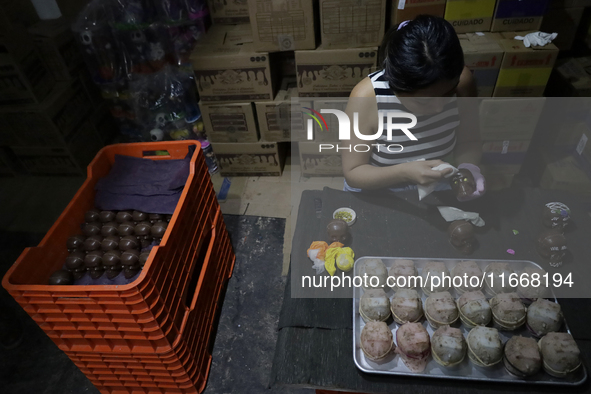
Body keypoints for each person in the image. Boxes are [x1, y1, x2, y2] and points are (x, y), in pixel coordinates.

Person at [342, 15, 485, 200]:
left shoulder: (462, 82)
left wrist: (468, 169)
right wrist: (404, 172)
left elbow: (469, 141)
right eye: (424, 102)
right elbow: (354, 172)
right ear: (395, 85)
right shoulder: (367, 98)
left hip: (436, 186)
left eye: (448, 94)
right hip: (380, 191)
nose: (438, 109)